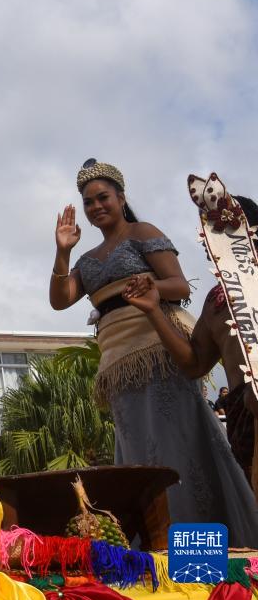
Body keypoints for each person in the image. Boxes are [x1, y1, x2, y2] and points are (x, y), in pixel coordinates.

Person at [49, 160, 258, 545]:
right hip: (118, 364)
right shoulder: (86, 259)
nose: (96, 206)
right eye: (89, 202)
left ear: (121, 197)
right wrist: (63, 252)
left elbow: (179, 285)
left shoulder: (142, 233)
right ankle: (156, 546)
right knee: (138, 455)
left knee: (179, 449)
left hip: (160, 351)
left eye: (103, 197)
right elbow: (60, 300)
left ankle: (203, 543)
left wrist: (149, 290)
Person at [123, 196, 258, 495]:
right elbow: (194, 363)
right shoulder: (217, 299)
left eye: (221, 230)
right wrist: (153, 310)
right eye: (207, 232)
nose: (210, 241)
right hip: (245, 419)